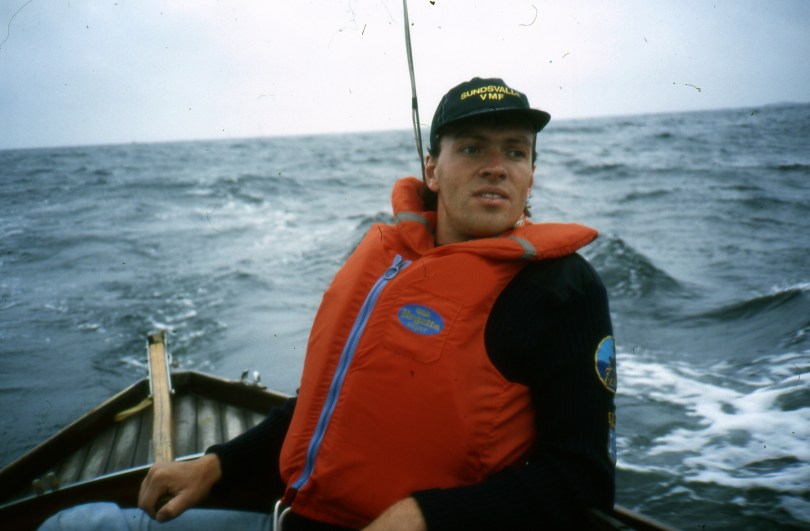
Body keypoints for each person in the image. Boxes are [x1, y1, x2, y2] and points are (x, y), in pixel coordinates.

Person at [39, 77, 616, 531]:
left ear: (531, 174)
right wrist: (218, 465)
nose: (496, 166)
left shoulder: (562, 289)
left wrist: (424, 516)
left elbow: (581, 478)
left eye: (515, 151)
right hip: (292, 517)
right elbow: (329, 406)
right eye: (471, 148)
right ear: (432, 170)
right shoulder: (388, 261)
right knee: (73, 524)